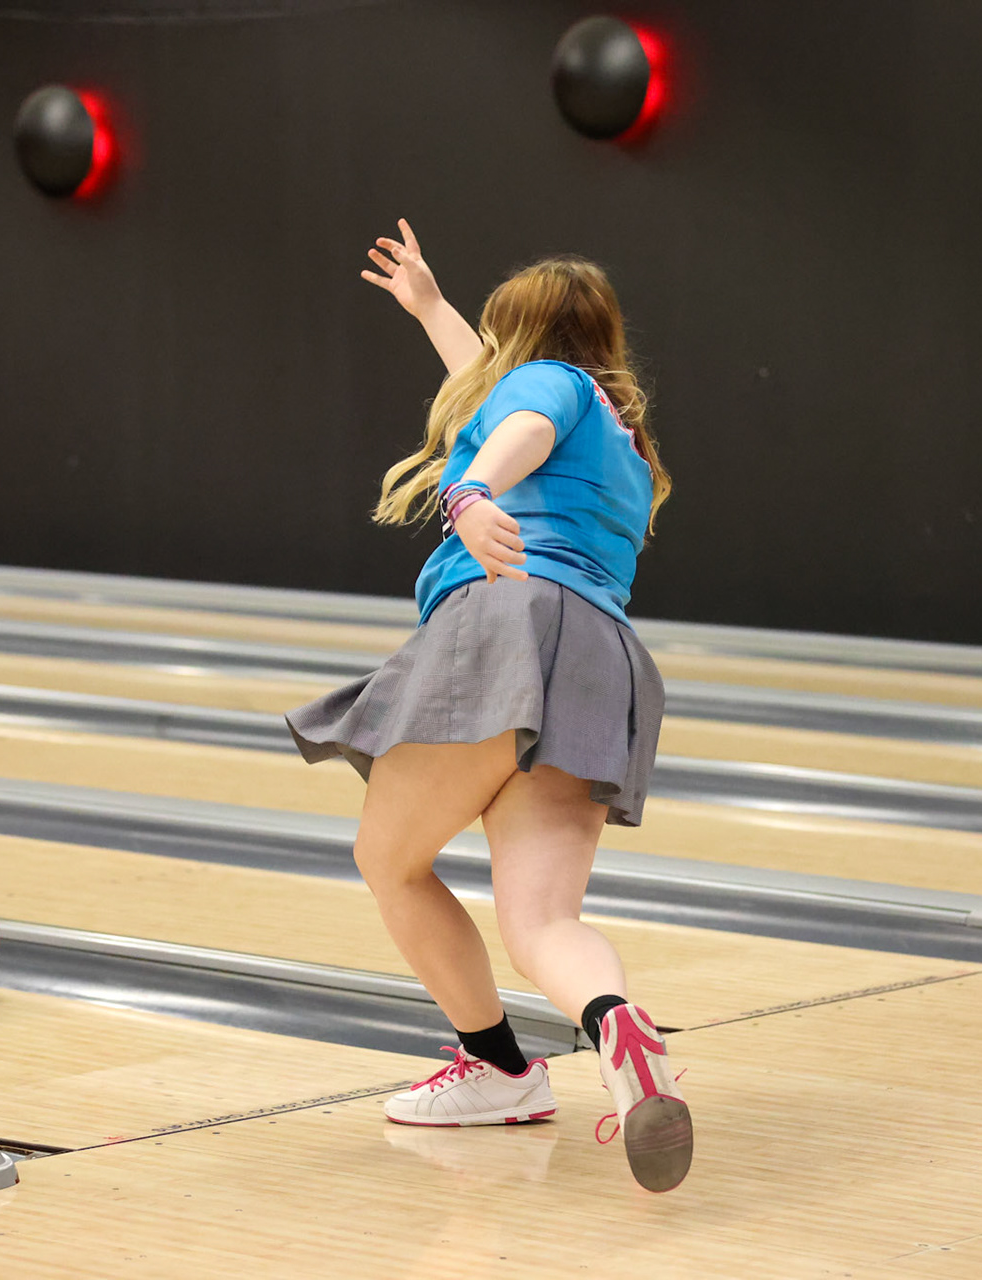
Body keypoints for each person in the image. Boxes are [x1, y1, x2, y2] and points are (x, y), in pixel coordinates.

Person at [286, 219, 690, 1193]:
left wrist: (469, 488)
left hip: (506, 627)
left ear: (530, 337)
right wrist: (430, 306)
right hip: (598, 655)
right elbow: (508, 392)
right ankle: (619, 1028)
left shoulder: (545, 393)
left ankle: (500, 1066)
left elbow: (517, 421)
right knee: (545, 916)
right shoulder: (622, 434)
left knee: (387, 856)